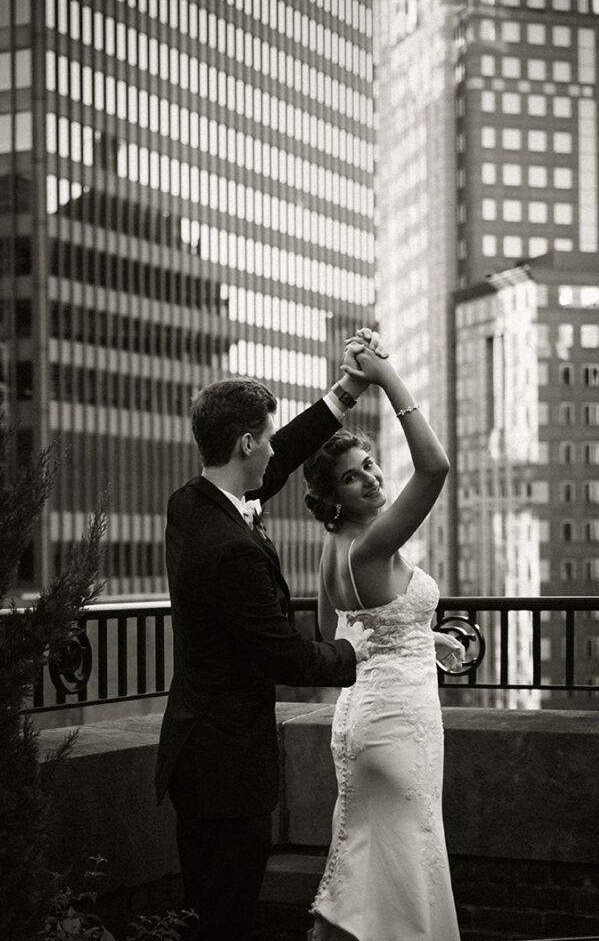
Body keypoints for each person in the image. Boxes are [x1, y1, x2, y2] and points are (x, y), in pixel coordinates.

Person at [155, 342, 383, 941]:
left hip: (199, 751)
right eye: (268, 435)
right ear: (246, 444)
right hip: (224, 770)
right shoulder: (228, 548)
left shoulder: (193, 503)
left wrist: (346, 392)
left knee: (210, 908)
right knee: (223, 916)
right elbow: (284, 652)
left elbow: (281, 463)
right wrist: (362, 652)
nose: (275, 446)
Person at [303, 339, 463, 941]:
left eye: (369, 466)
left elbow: (333, 634)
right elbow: (436, 467)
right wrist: (387, 376)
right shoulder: (371, 548)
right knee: (407, 857)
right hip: (398, 725)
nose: (370, 480)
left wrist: (420, 639)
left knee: (362, 859)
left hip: (360, 719)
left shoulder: (333, 550)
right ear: (331, 496)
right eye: (352, 478)